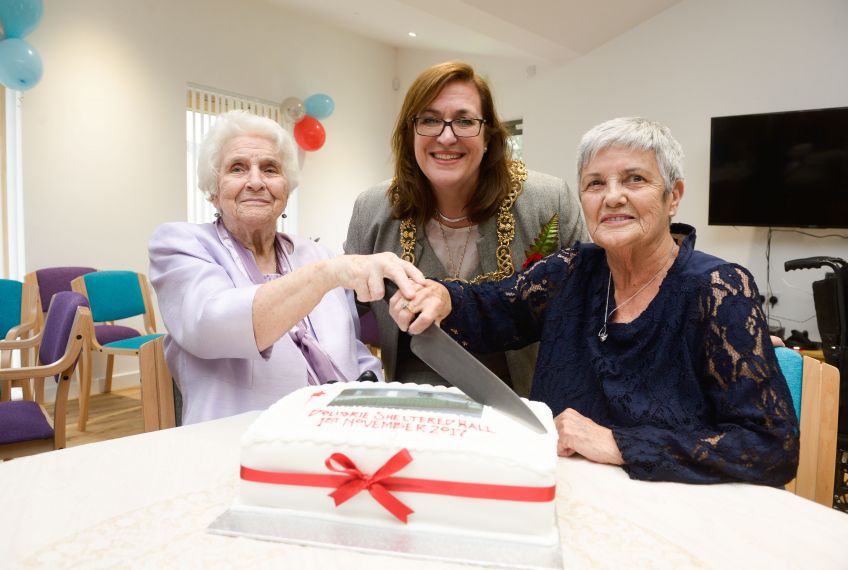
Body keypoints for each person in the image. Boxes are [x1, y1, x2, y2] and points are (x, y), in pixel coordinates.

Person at [389, 117, 799, 485]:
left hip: (669, 515)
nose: (613, 196)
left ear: (673, 196)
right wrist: (442, 295)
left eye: (635, 179)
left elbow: (769, 446)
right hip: (560, 496)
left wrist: (617, 443)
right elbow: (492, 306)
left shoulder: (718, 288)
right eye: (595, 183)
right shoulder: (570, 270)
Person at [149, 111, 424, 424]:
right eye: (237, 168)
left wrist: (374, 389)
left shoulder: (315, 253)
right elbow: (211, 324)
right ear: (213, 190)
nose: (256, 181)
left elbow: (353, 351)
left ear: (286, 187)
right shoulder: (181, 245)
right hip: (243, 438)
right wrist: (327, 274)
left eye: (270, 169)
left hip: (340, 433)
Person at [345, 61, 588, 396]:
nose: (447, 137)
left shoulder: (549, 203)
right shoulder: (372, 209)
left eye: (464, 121)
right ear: (409, 132)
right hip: (412, 412)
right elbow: (349, 323)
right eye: (429, 120)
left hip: (524, 412)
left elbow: (586, 312)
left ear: (488, 135)